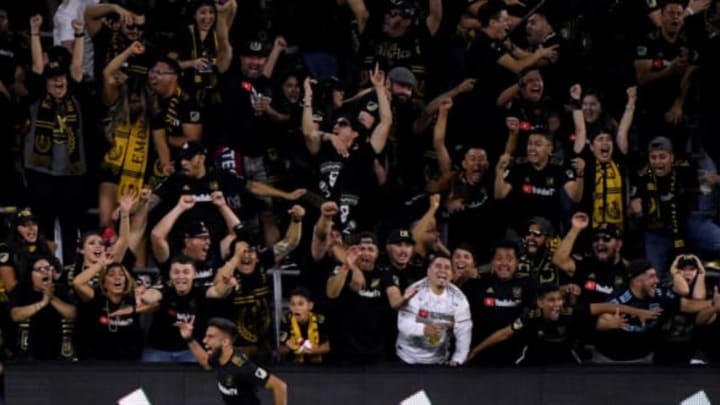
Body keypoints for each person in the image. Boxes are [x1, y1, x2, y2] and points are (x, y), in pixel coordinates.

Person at [466, 284, 661, 365]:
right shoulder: (531, 316)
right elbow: (503, 334)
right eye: (551, 300)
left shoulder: (570, 312)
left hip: (567, 360)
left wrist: (640, 312)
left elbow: (605, 306)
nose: (557, 305)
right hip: (534, 361)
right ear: (540, 303)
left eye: (559, 300)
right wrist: (474, 352)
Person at [24, 14, 87, 264]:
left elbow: (78, 70)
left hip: (73, 174)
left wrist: (80, 35)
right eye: (54, 78)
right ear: (46, 83)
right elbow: (38, 68)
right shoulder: (37, 99)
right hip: (41, 171)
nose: (59, 81)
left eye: (62, 77)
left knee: (71, 229)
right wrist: (35, 32)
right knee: (44, 227)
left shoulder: (77, 99)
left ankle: (70, 270)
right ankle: (47, 269)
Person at [140, 255, 236, 362]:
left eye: (186, 272)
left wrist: (226, 284)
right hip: (158, 349)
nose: (181, 276)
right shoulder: (165, 287)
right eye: (176, 272)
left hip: (190, 350)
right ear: (170, 274)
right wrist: (144, 296)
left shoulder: (199, 288)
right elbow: (152, 295)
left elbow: (218, 292)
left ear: (194, 274)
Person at [178, 316, 288, 405]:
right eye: (206, 336)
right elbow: (205, 363)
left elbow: (279, 386)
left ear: (225, 342)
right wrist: (189, 338)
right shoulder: (219, 357)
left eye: (210, 337)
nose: (204, 340)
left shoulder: (243, 367)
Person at [461, 240, 537, 364]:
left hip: (517, 361)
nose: (504, 263)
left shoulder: (528, 286)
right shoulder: (477, 284)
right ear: (492, 262)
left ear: (517, 262)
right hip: (480, 361)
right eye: (499, 258)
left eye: (509, 259)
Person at [396, 255, 472, 365]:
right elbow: (403, 324)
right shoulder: (415, 291)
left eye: (447, 268)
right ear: (428, 271)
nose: (443, 270)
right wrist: (423, 330)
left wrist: (458, 358)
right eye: (438, 266)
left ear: (452, 274)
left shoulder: (459, 299)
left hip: (438, 361)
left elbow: (464, 330)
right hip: (407, 358)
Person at [72, 257, 145, 360]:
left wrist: (137, 305)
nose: (117, 277)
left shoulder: (133, 298)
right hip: (98, 361)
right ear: (104, 282)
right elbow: (77, 283)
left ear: (126, 280)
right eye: (111, 275)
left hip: (128, 361)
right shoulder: (97, 297)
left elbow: (155, 304)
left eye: (121, 274)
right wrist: (101, 263)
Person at [9, 254, 77, 360]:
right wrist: (42, 303)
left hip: (60, 355)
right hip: (26, 357)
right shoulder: (21, 290)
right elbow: (16, 315)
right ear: (30, 274)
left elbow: (72, 313)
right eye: (39, 269)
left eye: (47, 268)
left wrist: (52, 298)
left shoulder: (61, 289)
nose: (45, 271)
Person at [553, 213, 629, 305]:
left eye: (606, 239)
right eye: (596, 239)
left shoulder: (628, 269)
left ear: (618, 244)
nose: (600, 243)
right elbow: (559, 260)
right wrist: (576, 228)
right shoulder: (587, 263)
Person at [278, 287, 330, 364]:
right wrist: (290, 348)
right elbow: (280, 350)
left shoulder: (320, 320)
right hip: (293, 365)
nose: (296, 308)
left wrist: (314, 350)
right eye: (293, 304)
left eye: (300, 304)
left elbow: (327, 347)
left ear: (310, 305)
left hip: (318, 365)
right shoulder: (286, 320)